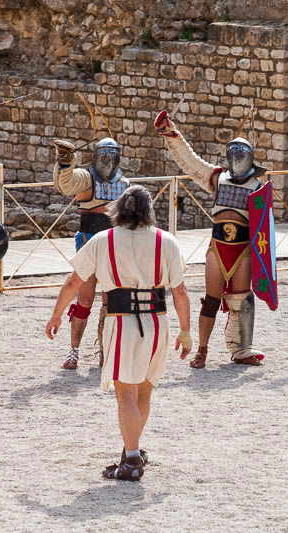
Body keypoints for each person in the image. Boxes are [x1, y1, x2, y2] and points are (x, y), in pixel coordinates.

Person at [45, 185, 192, 481]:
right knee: (145, 389)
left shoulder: (103, 240)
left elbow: (74, 281)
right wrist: (186, 331)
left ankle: (132, 459)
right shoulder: (167, 241)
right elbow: (179, 291)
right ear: (149, 210)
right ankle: (132, 450)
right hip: (157, 321)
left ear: (118, 209)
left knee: (125, 392)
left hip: (122, 321)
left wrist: (57, 314)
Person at [154, 110, 265, 368]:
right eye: (233, 154)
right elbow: (190, 162)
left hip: (243, 249)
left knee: (242, 300)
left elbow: (263, 228)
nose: (237, 159)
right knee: (211, 300)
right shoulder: (217, 177)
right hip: (218, 247)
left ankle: (241, 348)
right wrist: (172, 134)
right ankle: (202, 350)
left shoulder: (259, 188)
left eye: (241, 155)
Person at [51, 138, 130, 369]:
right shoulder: (87, 178)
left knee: (110, 300)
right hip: (88, 242)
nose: (106, 160)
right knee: (84, 299)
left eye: (110, 155)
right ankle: (73, 351)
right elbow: (66, 184)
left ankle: (106, 350)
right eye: (103, 155)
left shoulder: (125, 183)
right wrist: (66, 162)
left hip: (115, 245)